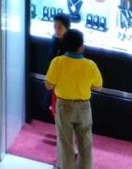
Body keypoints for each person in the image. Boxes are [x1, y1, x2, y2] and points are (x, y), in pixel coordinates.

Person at [45, 29, 102, 169]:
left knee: (65, 144)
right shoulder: (90, 65)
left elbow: (48, 85)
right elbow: (98, 87)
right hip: (84, 107)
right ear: (81, 46)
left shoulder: (57, 62)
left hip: (64, 106)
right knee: (85, 144)